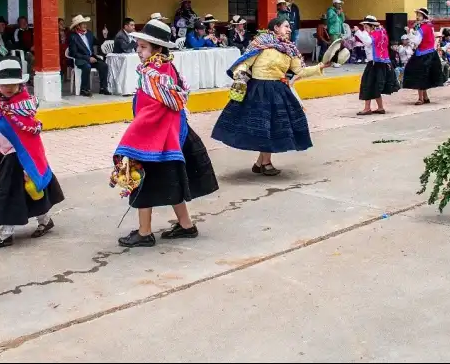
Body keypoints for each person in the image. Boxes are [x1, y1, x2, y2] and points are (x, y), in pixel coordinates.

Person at [113, 20, 219, 248]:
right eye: (138, 46)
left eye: (143, 47)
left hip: (156, 139)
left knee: (143, 183)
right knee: (173, 182)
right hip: (172, 136)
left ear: (157, 49)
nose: (138, 51)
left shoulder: (155, 75)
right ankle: (186, 225)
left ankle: (144, 232)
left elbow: (152, 111)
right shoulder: (166, 69)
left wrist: (134, 135)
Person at [212, 17, 330, 176]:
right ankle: (265, 163)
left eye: (289, 27)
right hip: (258, 90)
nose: (289, 29)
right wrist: (239, 75)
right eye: (286, 26)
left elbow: (300, 71)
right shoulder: (261, 43)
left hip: (278, 90)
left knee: (270, 127)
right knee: (264, 127)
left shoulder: (290, 49)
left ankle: (260, 163)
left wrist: (321, 66)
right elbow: (245, 62)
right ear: (276, 28)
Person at [0, 60, 64, 249]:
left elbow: (27, 136)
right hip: (6, 154)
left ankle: (6, 233)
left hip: (21, 156)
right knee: (28, 191)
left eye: (12, 83)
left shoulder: (24, 106)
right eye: (4, 84)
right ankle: (45, 220)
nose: (8, 88)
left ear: (20, 84)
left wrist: (27, 163)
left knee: (12, 193)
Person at [355, 15, 399, 115]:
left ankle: (367, 108)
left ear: (372, 26)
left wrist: (358, 32)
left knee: (368, 84)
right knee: (375, 86)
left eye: (366, 27)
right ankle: (380, 107)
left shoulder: (375, 34)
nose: (365, 29)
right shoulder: (382, 33)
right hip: (381, 63)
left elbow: (367, 42)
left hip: (374, 63)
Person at [401, 7, 444, 105]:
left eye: (419, 15)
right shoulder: (428, 26)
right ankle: (425, 97)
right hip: (429, 54)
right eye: (417, 15)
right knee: (424, 76)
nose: (417, 17)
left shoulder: (423, 28)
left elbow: (416, 41)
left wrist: (409, 33)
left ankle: (420, 98)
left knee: (419, 75)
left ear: (424, 16)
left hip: (423, 55)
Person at [67, 14, 110, 96]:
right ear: (77, 26)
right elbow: (73, 53)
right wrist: (87, 58)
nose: (85, 25)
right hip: (80, 59)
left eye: (85, 23)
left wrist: (104, 36)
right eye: (82, 24)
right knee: (87, 66)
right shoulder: (72, 37)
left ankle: (103, 88)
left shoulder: (89, 33)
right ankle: (84, 89)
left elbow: (97, 42)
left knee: (104, 65)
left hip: (91, 58)